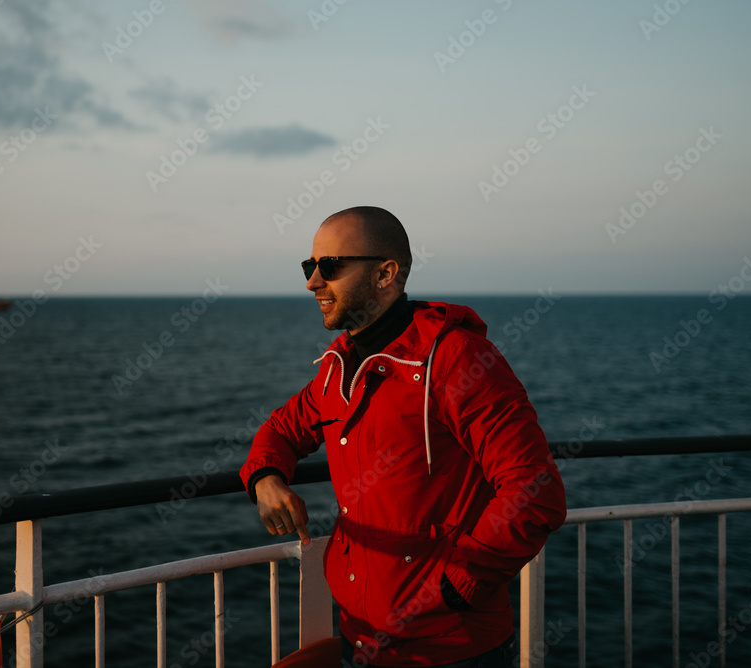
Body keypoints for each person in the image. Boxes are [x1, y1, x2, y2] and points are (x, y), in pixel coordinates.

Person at [240, 206, 566, 667]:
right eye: (308, 267)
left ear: (386, 273)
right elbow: (281, 429)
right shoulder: (340, 368)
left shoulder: (457, 360)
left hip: (449, 648)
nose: (312, 282)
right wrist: (266, 479)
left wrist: (454, 588)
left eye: (329, 267)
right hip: (361, 635)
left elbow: (535, 490)